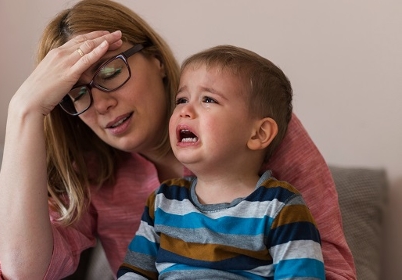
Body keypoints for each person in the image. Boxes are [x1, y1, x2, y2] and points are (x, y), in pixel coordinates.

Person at [0, 0, 355, 279]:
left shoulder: (252, 127)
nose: (100, 103)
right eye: (77, 94)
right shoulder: (94, 171)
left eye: (112, 72)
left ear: (157, 61)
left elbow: (332, 270)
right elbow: (24, 272)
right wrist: (23, 111)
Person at [117, 45, 325, 279]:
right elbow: (135, 272)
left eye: (208, 99)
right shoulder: (163, 201)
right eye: (181, 99)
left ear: (258, 134)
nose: (185, 110)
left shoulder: (281, 208)